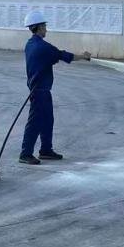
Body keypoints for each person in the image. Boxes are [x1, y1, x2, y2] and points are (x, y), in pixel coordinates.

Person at [19, 10, 90, 165]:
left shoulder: (30, 44)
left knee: (47, 120)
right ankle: (25, 153)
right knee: (35, 122)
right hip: (39, 91)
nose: (46, 29)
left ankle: (45, 150)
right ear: (38, 27)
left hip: (40, 90)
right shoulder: (42, 47)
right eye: (44, 26)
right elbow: (63, 55)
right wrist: (83, 56)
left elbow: (51, 58)